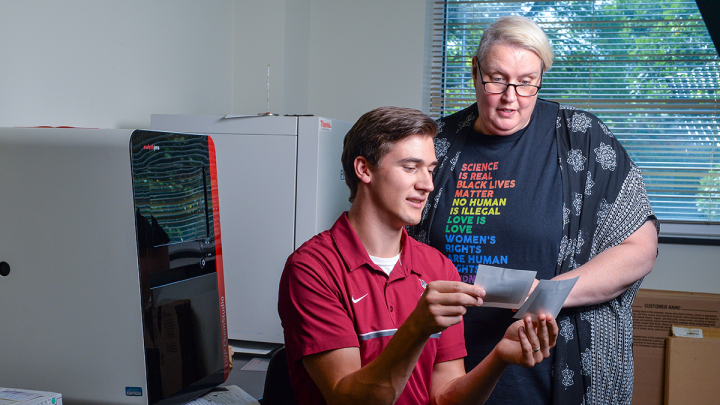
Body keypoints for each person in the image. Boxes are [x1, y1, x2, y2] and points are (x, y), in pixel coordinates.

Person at [408, 15, 659, 405]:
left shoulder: (582, 140)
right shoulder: (436, 146)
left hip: (554, 369)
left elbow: (639, 251)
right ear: (475, 72)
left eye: (526, 82)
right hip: (449, 371)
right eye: (497, 79)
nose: (511, 97)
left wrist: (543, 294)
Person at [278, 106, 559, 405]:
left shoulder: (438, 267)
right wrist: (417, 327)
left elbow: (444, 398)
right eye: (411, 167)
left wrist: (499, 357)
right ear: (364, 169)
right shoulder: (311, 269)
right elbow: (349, 400)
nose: (428, 185)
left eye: (430, 169)